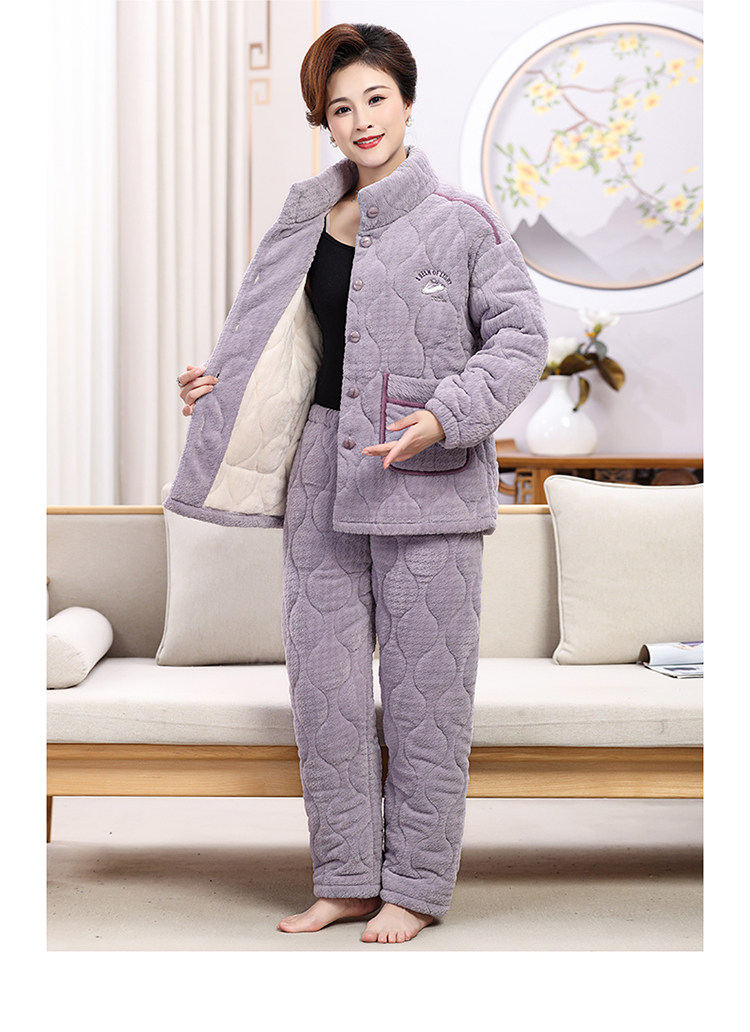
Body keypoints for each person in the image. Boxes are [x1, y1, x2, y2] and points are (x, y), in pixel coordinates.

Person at [173, 22, 548, 944]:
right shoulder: (307, 219)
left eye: (376, 98)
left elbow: (521, 340)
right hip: (322, 477)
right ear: (326, 122)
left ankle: (413, 888)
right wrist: (218, 387)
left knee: (427, 698)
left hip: (429, 482)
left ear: (407, 102)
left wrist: (444, 415)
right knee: (327, 693)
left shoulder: (461, 222)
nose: (361, 120)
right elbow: (285, 346)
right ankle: (344, 879)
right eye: (341, 108)